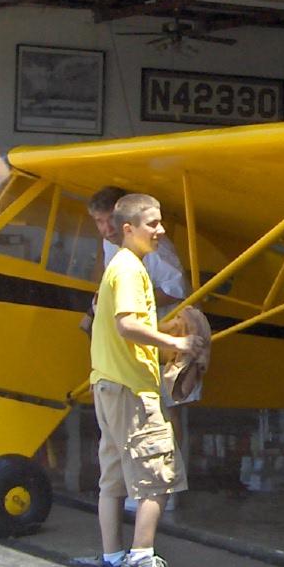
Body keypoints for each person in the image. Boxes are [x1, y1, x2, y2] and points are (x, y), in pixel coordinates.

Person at [89, 192, 206, 567]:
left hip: (107, 385)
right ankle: (141, 558)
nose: (161, 230)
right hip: (131, 388)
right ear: (129, 229)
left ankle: (111, 561)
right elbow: (127, 325)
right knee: (159, 475)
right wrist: (177, 345)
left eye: (160, 222)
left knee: (113, 480)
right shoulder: (130, 270)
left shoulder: (115, 266)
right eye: (152, 224)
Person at [84, 185, 202, 490]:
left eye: (108, 219)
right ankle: (136, 482)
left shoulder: (153, 250)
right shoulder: (112, 246)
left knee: (165, 408)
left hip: (168, 330)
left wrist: (129, 302)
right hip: (139, 338)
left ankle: (167, 482)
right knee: (137, 414)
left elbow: (177, 289)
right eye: (98, 221)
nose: (104, 228)